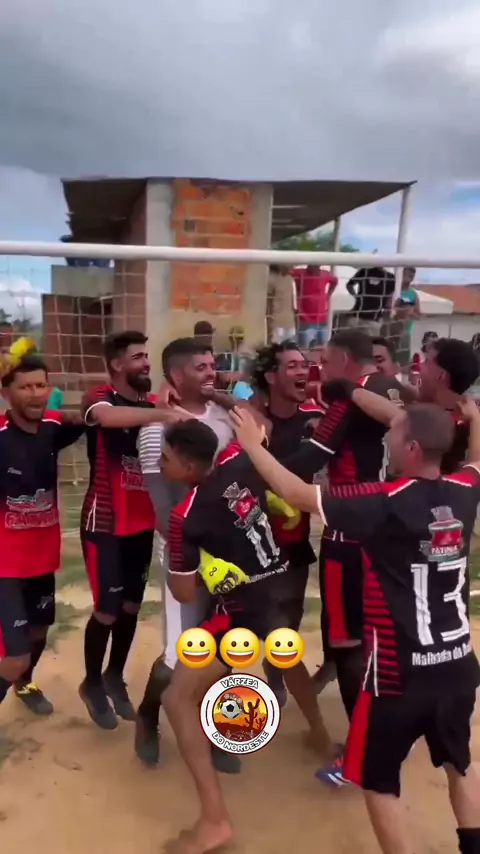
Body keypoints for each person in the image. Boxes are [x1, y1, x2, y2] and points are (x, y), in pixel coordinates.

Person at [232, 401, 480, 854]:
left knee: (376, 781)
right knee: (460, 766)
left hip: (398, 675)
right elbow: (476, 461)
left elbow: (296, 493)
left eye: (394, 432)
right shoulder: (464, 490)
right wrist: (476, 419)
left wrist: (252, 446)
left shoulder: (384, 501)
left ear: (411, 447)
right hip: (458, 664)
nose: (387, 438)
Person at [160, 419, 333, 854]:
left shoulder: (185, 515)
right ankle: (319, 735)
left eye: (165, 458)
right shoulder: (241, 458)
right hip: (278, 580)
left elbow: (183, 592)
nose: (160, 465)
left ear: (187, 465)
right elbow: (258, 426)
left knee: (176, 698)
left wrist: (198, 564)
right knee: (285, 655)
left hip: (242, 612)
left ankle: (214, 820)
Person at [281, 331, 411, 777]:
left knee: (347, 641)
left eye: (325, 360)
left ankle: (360, 750)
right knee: (375, 634)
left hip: (347, 531)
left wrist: (254, 459)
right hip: (389, 526)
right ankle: (386, 731)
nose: (320, 368)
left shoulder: (347, 398)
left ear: (342, 359)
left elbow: (308, 461)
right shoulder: (394, 388)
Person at [135, 337, 238, 772]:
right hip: (185, 553)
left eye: (212, 365)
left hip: (230, 555)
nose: (211, 372)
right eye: (201, 367)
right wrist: (194, 549)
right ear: (176, 375)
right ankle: (148, 714)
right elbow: (162, 510)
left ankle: (220, 730)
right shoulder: (156, 430)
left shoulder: (226, 418)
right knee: (183, 652)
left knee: (229, 645)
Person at [78, 331, 185, 730]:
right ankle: (91, 682)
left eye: (146, 356)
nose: (146, 363)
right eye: (138, 357)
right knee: (106, 610)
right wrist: (163, 413)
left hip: (142, 523)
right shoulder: (100, 397)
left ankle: (113, 675)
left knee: (130, 608)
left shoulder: (151, 405)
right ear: (117, 364)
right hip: (105, 522)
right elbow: (107, 418)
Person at [0, 354, 84, 716]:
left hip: (42, 558)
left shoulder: (53, 427)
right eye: (25, 387)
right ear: (6, 392)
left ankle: (25, 684)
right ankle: (17, 675)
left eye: (41, 385)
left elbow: (93, 418)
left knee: (38, 632)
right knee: (14, 657)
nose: (35, 394)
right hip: (5, 564)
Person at [248, 341, 326, 714]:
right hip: (254, 544)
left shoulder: (317, 418)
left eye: (304, 364)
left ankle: (275, 677)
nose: (302, 371)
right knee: (256, 624)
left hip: (295, 541)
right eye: (292, 365)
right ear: (271, 375)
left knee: (288, 621)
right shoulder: (251, 421)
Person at [419, 337, 480, 473]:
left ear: (440, 375)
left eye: (426, 362)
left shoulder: (461, 426)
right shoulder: (470, 416)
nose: (420, 368)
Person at [293, 265, 338, 348]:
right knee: (304, 349)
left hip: (321, 319)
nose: (316, 267)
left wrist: (328, 295)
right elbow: (286, 271)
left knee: (322, 348)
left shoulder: (325, 274)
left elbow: (335, 281)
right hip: (305, 320)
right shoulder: (300, 273)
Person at [345, 266, 395, 334]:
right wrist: (356, 297)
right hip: (359, 316)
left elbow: (390, 296)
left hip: (372, 318)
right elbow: (349, 285)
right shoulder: (364, 271)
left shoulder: (389, 277)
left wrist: (357, 297)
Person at [267, 264, 297, 344]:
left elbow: (293, 302)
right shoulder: (272, 280)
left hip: (290, 321)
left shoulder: (290, 279)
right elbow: (269, 302)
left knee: (290, 346)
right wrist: (269, 319)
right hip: (277, 321)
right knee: (277, 346)